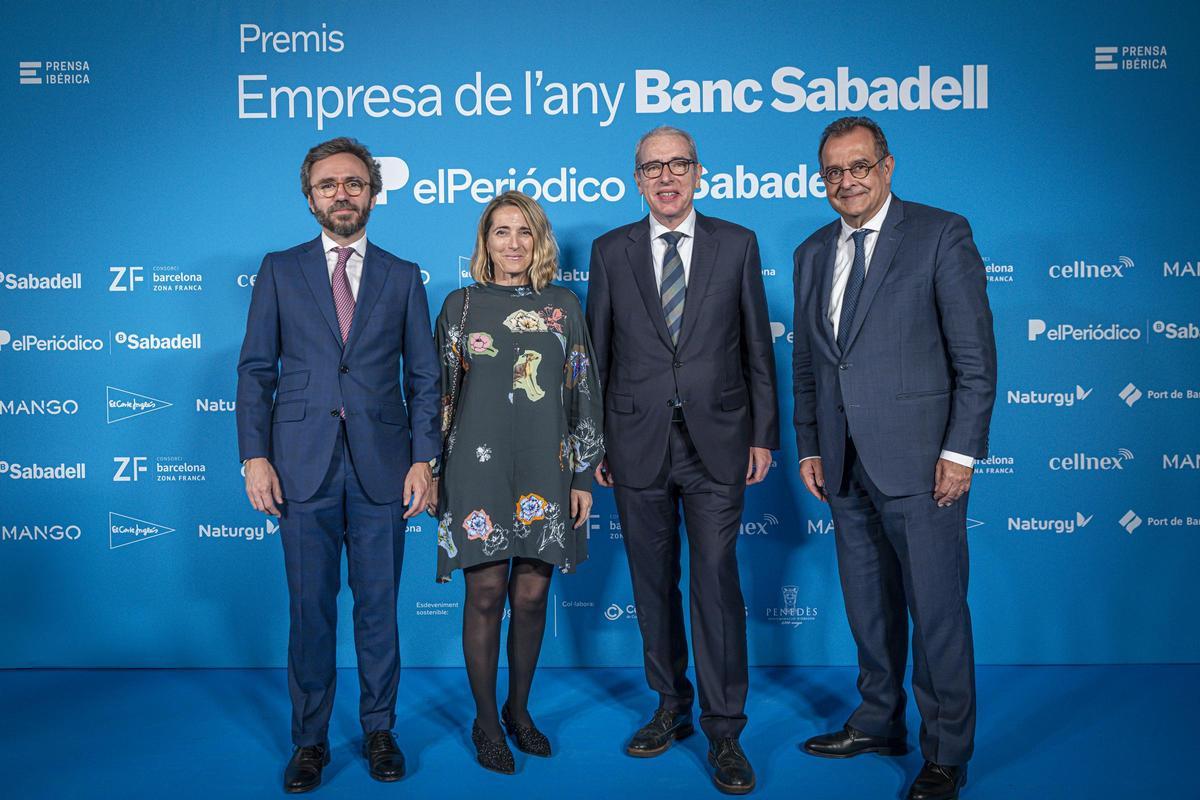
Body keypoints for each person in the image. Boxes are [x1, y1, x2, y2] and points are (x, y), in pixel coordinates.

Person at [791, 116, 996, 800]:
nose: (846, 181)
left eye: (859, 167)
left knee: (936, 612)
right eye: (833, 172)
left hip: (922, 463)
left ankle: (946, 752)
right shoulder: (812, 251)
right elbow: (808, 364)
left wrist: (962, 453)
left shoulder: (941, 234)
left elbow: (974, 359)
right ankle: (879, 720)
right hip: (845, 464)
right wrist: (812, 445)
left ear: (887, 166)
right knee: (868, 610)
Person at [236, 137, 439, 793]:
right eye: (329, 185)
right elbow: (255, 372)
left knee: (378, 611)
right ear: (310, 196)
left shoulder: (404, 276)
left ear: (373, 193)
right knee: (310, 611)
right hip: (300, 469)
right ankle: (310, 742)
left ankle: (380, 731)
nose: (343, 194)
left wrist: (424, 459)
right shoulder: (279, 269)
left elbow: (426, 379)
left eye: (354, 183)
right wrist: (255, 457)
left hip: (384, 469)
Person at [585, 126, 778, 795]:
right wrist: (597, 444)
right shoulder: (612, 252)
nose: (666, 178)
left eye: (678, 165)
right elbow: (598, 359)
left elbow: (758, 346)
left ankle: (725, 728)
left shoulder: (738, 243)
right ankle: (670, 706)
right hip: (636, 442)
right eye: (652, 168)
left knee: (716, 582)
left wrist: (765, 436)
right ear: (636, 179)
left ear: (700, 173)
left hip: (719, 440)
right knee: (650, 583)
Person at [431, 190, 603, 774]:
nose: (512, 243)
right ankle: (485, 723)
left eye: (523, 232)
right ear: (485, 242)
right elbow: (441, 401)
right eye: (501, 232)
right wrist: (431, 472)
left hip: (546, 469)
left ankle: (518, 711)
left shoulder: (564, 307)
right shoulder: (458, 307)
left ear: (539, 241)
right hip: (474, 471)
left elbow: (583, 392)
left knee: (531, 597)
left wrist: (583, 473)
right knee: (484, 594)